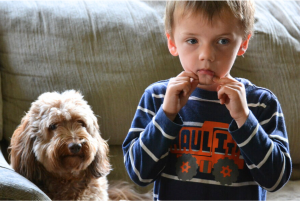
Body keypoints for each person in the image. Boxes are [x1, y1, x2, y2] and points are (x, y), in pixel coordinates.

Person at [122, 0, 292, 200]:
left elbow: (276, 179)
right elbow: (139, 174)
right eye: (192, 41)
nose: (206, 55)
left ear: (243, 43)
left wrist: (244, 118)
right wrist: (166, 116)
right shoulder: (157, 98)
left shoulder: (261, 103)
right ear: (172, 42)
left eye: (222, 41)